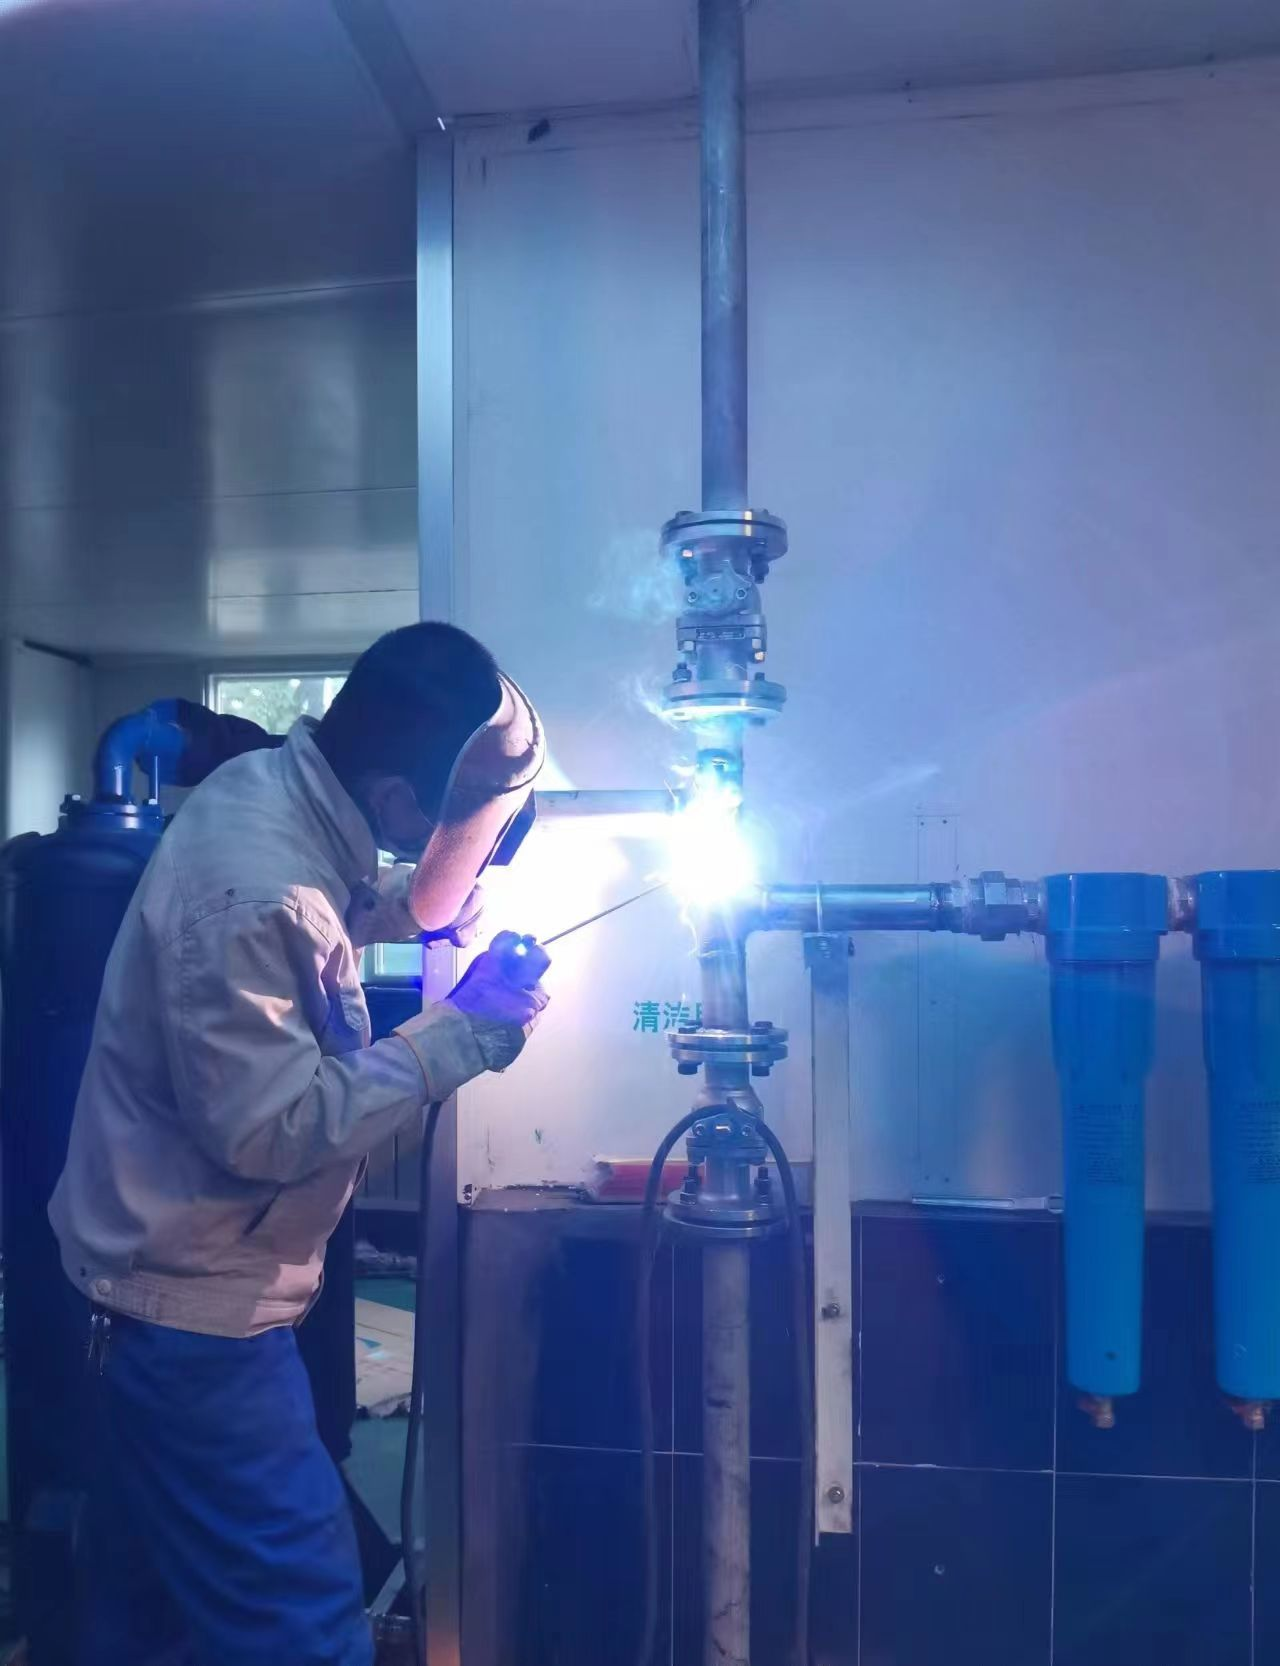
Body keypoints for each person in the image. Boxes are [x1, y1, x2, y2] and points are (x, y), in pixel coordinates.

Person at [49, 622, 551, 1666]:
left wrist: (419, 910)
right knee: (303, 1625)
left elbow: (327, 902)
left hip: (149, 1300)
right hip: (193, 1329)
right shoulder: (255, 890)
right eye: (442, 824)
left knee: (143, 1625)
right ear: (397, 800)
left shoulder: (272, 791)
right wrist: (459, 1033)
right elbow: (269, 1128)